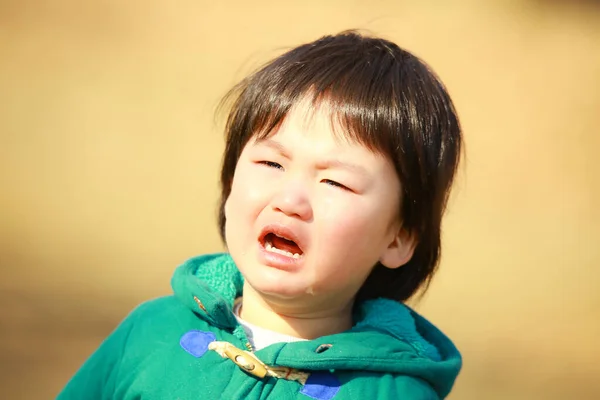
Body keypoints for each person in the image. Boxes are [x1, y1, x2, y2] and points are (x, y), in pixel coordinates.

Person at [57, 30, 463, 399]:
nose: (290, 200)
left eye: (335, 183)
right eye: (272, 164)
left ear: (399, 237)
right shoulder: (151, 334)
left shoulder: (392, 393)